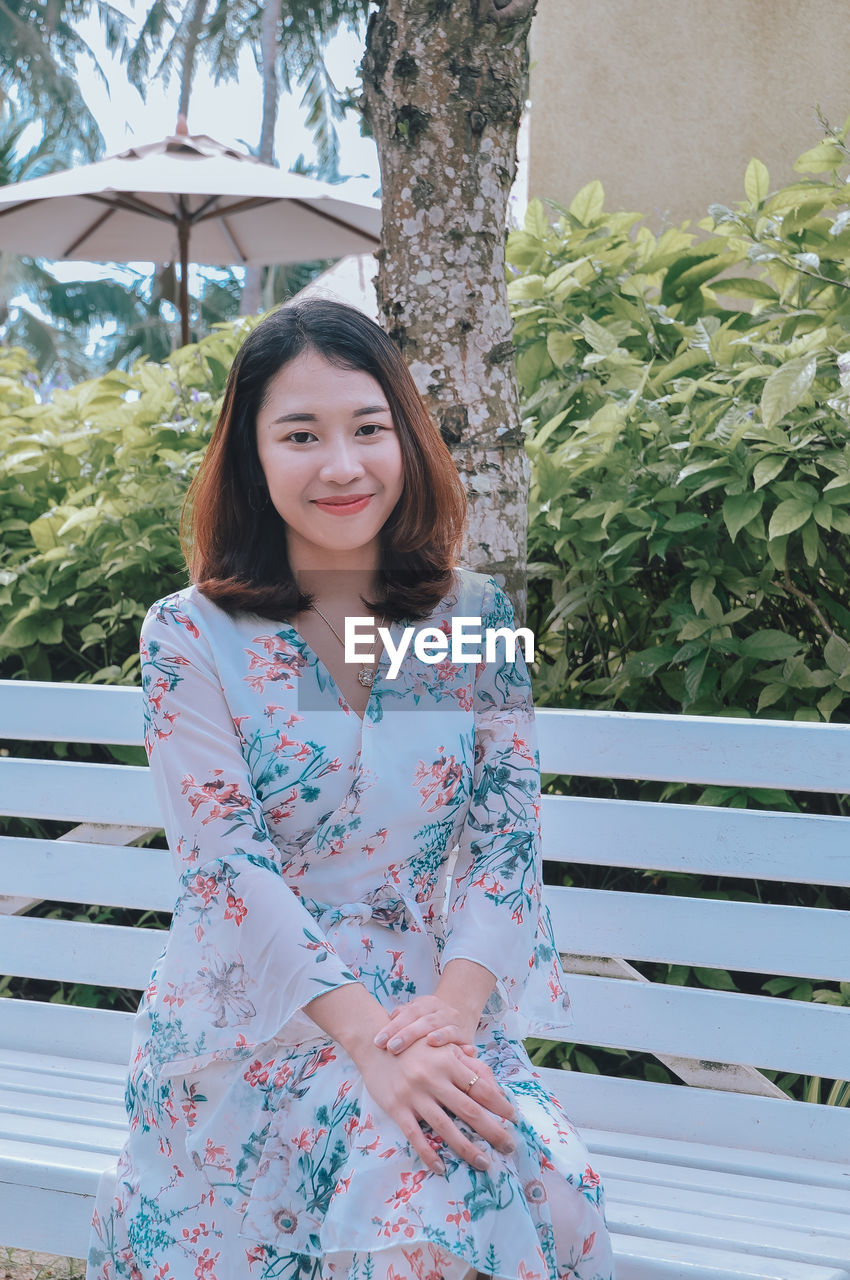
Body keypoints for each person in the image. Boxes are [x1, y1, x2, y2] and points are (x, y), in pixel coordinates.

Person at [86, 298, 614, 1280]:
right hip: (257, 1027)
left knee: (544, 1183)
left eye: (367, 428)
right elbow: (227, 870)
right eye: (300, 434)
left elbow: (506, 844)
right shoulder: (190, 634)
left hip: (431, 1017)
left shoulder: (475, 619)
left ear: (405, 437)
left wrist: (447, 1020)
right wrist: (370, 1045)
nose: (341, 464)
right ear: (251, 455)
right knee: (413, 1204)